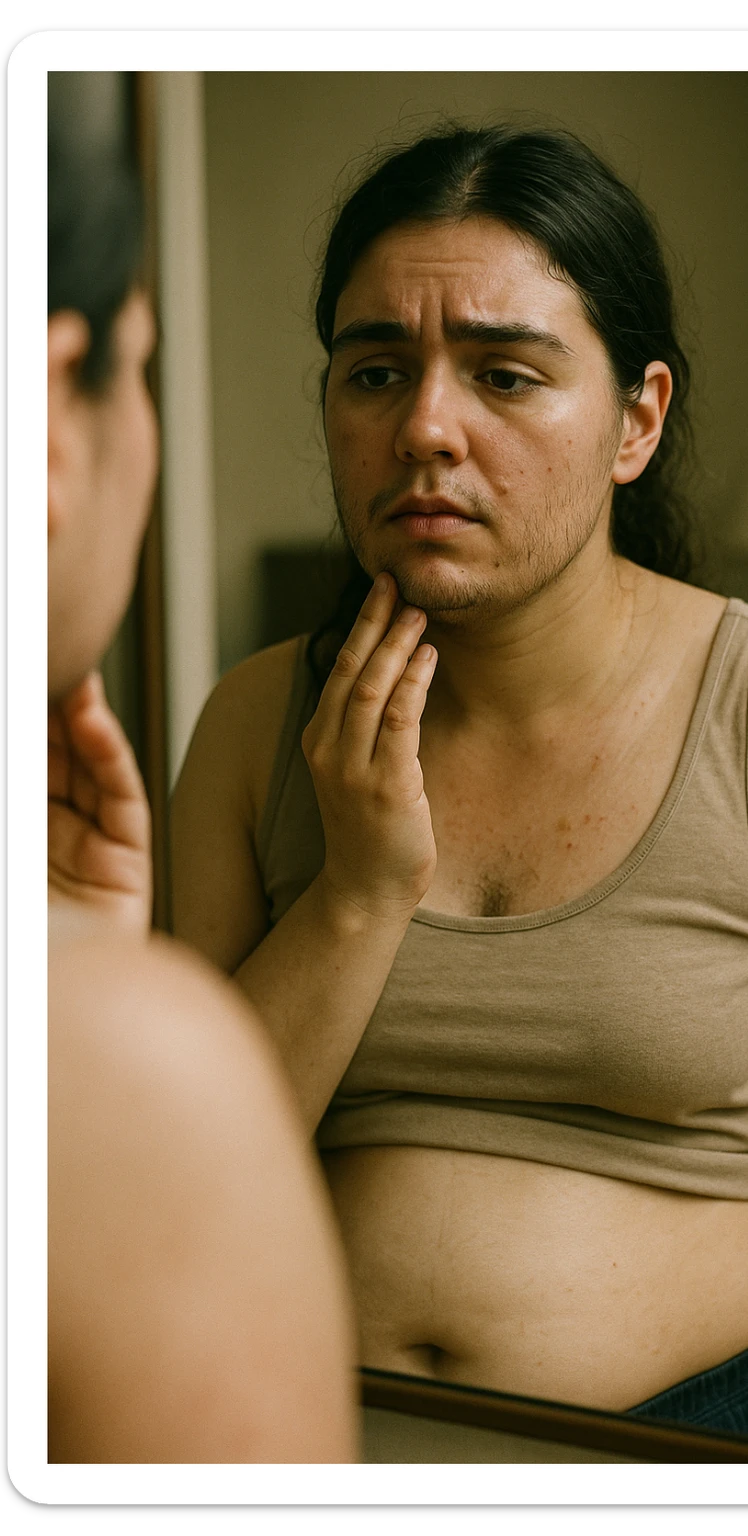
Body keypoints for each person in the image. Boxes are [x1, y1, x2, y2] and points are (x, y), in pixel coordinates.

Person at [170, 124, 748, 1461]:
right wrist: (359, 892)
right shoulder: (255, 724)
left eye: (504, 374)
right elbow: (189, 1175)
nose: (426, 426)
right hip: (310, 1425)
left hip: (692, 1439)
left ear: (636, 420)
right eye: (376, 371)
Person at [46, 73, 358, 1464]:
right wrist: (86, 1019)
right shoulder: (119, 1066)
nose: (428, 432)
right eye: (372, 371)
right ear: (55, 412)